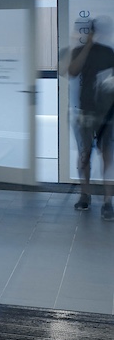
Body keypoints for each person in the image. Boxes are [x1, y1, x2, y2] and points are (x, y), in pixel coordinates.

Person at [68, 15, 114, 215]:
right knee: (84, 154)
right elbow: (72, 71)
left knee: (107, 156)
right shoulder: (79, 50)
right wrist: (87, 46)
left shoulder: (109, 52)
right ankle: (84, 195)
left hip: (107, 112)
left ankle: (107, 201)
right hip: (85, 111)